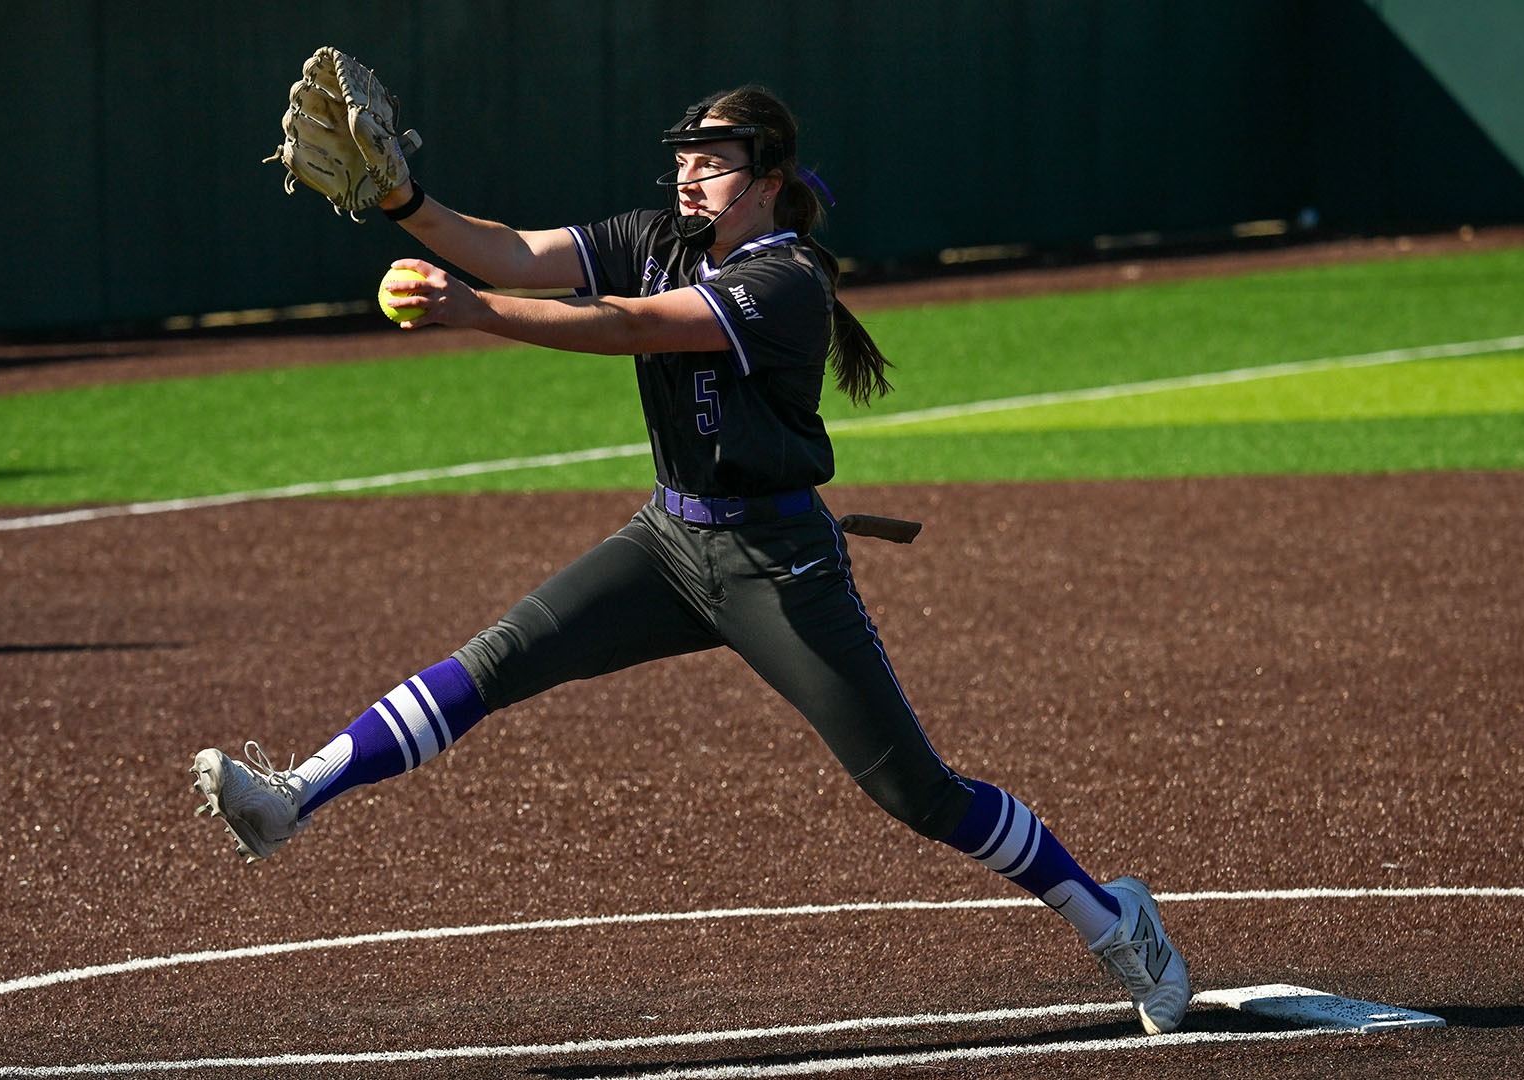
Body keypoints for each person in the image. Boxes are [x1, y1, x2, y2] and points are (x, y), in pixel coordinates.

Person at [192, 85, 1190, 1035]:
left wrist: (478, 312)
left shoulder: (786, 283)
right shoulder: (652, 238)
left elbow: (631, 326)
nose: (689, 175)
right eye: (685, 157)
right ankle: (291, 799)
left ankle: (1112, 919)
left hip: (776, 564)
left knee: (915, 793)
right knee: (495, 661)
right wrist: (404, 202)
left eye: (712, 161)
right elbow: (502, 249)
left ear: (767, 179)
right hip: (668, 541)